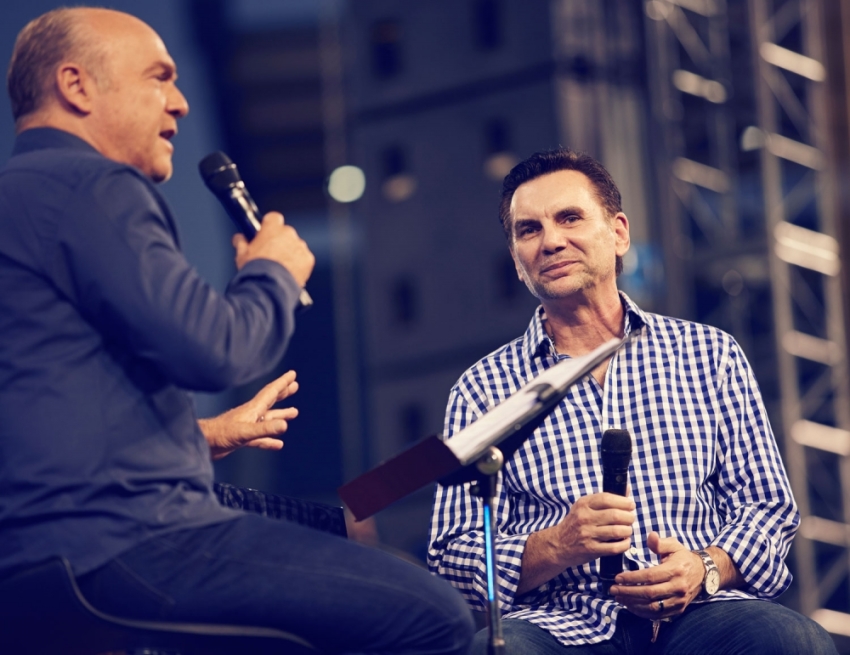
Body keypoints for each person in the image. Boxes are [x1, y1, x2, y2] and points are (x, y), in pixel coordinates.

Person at [0, 8, 473, 654]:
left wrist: (202, 435)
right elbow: (216, 351)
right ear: (76, 86)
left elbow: (41, 418)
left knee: (336, 529)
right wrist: (271, 272)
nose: (180, 102)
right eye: (158, 77)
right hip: (126, 540)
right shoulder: (95, 186)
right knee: (434, 613)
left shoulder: (19, 201)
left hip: (35, 558)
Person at [428, 148, 837, 654]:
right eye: (529, 230)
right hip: (557, 625)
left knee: (794, 640)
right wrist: (557, 544)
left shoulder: (708, 353)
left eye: (569, 218)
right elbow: (452, 554)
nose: (551, 241)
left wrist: (703, 568)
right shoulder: (483, 388)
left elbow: (768, 508)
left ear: (618, 233)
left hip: (700, 613)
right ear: (516, 260)